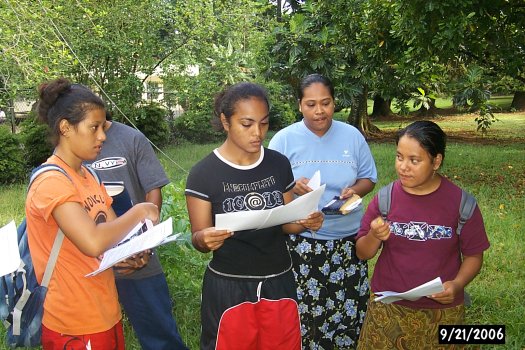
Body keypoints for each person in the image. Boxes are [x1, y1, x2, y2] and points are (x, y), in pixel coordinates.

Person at [185, 82, 324, 350]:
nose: (257, 133)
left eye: (263, 123)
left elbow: (287, 224)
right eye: (246, 124)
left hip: (279, 281)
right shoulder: (204, 173)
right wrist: (205, 238)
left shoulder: (277, 163)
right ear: (225, 122)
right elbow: (199, 239)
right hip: (230, 286)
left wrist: (308, 221)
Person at [26, 78, 159, 349]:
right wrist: (140, 211)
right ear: (65, 127)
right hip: (73, 322)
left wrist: (133, 255)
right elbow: (93, 242)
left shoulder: (89, 175)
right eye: (94, 128)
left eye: (103, 127)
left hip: (105, 312)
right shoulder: (51, 183)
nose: (103, 136)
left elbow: (114, 237)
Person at [355, 120, 490, 349]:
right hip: (389, 308)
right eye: (399, 157)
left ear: (436, 161)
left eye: (414, 160)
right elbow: (362, 252)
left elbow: (474, 256)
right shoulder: (385, 199)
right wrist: (375, 235)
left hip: (442, 311)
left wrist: (457, 285)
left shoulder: (461, 204)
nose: (403, 167)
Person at [268, 73, 377, 349]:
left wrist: (355, 190)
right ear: (299, 105)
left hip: (347, 243)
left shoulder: (351, 136)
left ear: (334, 103)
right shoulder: (283, 140)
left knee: (348, 314)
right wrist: (293, 188)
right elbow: (272, 191)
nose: (319, 111)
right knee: (307, 316)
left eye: (326, 103)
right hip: (302, 243)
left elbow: (368, 178)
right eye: (311, 104)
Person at [86, 113, 188, 350]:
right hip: (90, 263)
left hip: (136, 256)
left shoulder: (130, 138)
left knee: (159, 335)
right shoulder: (66, 158)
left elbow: (153, 191)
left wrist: (145, 243)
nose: (100, 136)